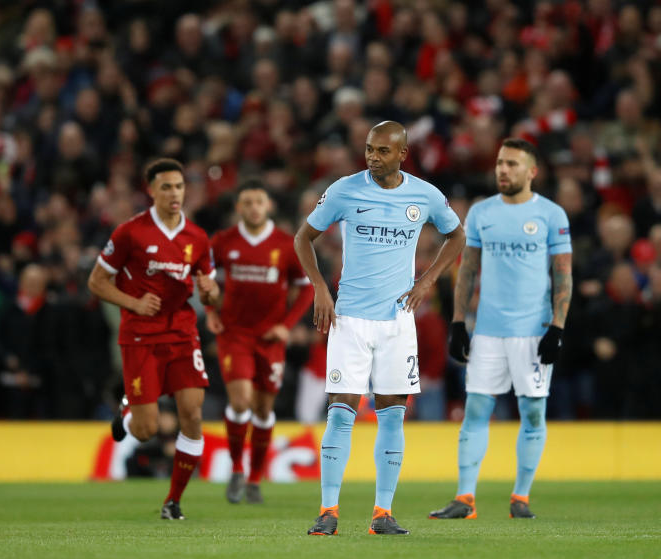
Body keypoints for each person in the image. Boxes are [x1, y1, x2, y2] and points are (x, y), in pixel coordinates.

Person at [294, 121, 465, 536]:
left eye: (383, 151)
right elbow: (303, 238)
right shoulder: (344, 190)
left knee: (392, 415)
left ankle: (382, 514)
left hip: (397, 322)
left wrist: (426, 281)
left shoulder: (424, 195)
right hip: (349, 318)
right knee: (341, 413)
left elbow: (457, 235)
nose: (373, 156)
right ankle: (328, 511)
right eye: (369, 149)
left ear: (403, 154)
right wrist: (319, 287)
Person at [430, 138, 573, 520]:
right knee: (475, 408)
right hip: (489, 330)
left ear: (532, 172)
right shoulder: (480, 213)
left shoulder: (552, 215)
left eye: (511, 164)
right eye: (499, 163)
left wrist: (557, 327)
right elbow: (468, 271)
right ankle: (464, 498)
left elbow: (563, 275)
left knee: (533, 413)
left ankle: (521, 497)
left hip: (534, 329)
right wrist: (459, 322)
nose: (503, 170)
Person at [87, 158, 219, 520]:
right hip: (141, 336)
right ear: (151, 190)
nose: (174, 193)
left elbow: (210, 293)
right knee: (146, 430)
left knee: (191, 414)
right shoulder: (130, 232)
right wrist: (134, 303)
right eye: (166, 187)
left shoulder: (197, 237)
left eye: (179, 186)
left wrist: (209, 292)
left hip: (182, 333)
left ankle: (173, 501)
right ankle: (128, 407)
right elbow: (96, 282)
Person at [207, 179, 314, 504]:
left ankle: (255, 478)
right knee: (240, 402)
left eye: (259, 202)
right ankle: (237, 469)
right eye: (247, 202)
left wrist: (285, 326)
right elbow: (205, 277)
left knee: (264, 409)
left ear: (269, 206)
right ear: (239, 208)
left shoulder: (285, 244)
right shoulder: (224, 242)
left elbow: (307, 288)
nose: (253, 207)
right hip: (235, 334)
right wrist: (211, 309)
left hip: (269, 338)